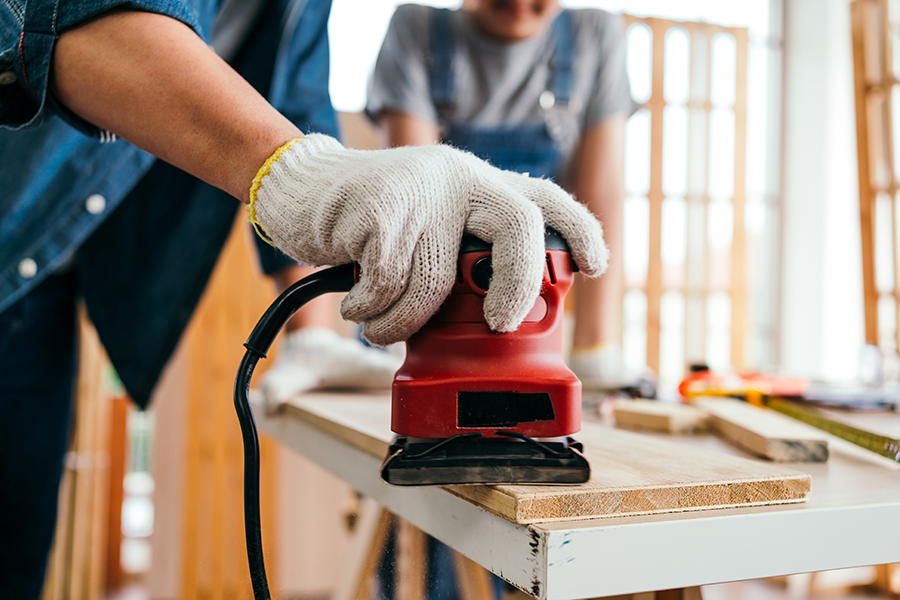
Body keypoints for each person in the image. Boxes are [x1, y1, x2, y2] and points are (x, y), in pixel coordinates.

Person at [0, 0, 608, 597]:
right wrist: (306, 175)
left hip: (44, 281)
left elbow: (297, 108)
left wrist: (314, 332)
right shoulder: (420, 32)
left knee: (16, 553)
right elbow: (76, 20)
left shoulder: (307, 9)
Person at [367, 0, 649, 393]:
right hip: (436, 306)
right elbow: (416, 190)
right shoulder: (417, 27)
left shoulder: (594, 34)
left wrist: (595, 346)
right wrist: (407, 350)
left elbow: (600, 197)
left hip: (540, 303)